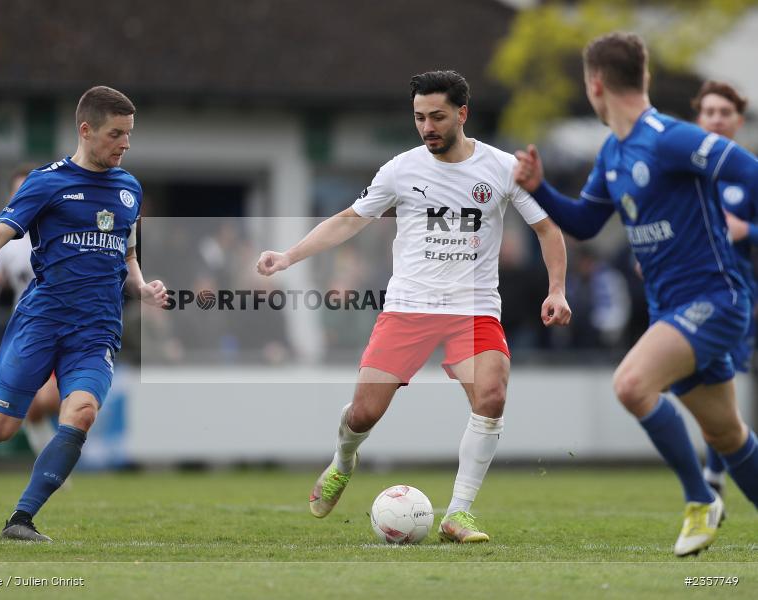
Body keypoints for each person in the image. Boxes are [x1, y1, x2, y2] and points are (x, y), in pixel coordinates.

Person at [257, 70, 571, 543]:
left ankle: (458, 513)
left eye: (437, 117)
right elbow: (348, 221)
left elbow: (548, 228)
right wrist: (288, 255)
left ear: (462, 114)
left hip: (473, 309)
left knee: (491, 396)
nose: (427, 127)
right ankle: (343, 461)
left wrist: (558, 290)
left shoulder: (502, 168)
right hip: (408, 308)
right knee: (363, 415)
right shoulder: (400, 170)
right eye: (420, 117)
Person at [513, 32, 758, 557]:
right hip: (673, 309)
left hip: (715, 300)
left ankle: (700, 500)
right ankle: (712, 492)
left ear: (594, 84)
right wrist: (539, 189)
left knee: (630, 384)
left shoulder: (668, 137)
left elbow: (751, 172)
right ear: (641, 77)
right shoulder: (614, 152)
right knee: (729, 436)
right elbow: (584, 220)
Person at [0, 86, 168, 541]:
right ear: (86, 130)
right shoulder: (47, 182)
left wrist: (141, 285)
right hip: (42, 321)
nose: (125, 144)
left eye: (129, 135)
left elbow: (126, 253)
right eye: (116, 134)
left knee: (82, 412)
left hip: (96, 331)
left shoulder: (129, 189)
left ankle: (21, 520)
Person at [691, 81, 753, 497]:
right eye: (709, 111)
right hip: (688, 293)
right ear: (698, 118)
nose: (715, 118)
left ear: (738, 121)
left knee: (723, 377)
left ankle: (712, 475)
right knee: (707, 380)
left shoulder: (746, 173)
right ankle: (714, 474)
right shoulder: (687, 172)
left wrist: (747, 229)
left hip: (739, 296)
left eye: (724, 112)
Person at [0, 165, 63, 461]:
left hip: (60, 324)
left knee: (51, 398)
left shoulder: (58, 230)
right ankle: (51, 465)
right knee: (25, 410)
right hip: (27, 326)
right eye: (17, 192)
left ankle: (55, 455)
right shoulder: (9, 243)